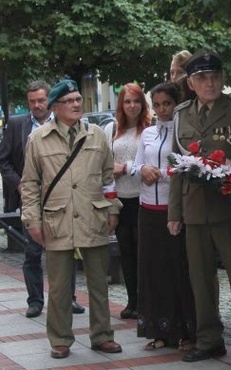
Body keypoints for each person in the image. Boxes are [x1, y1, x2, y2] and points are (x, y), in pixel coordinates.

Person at [168, 49, 231, 366]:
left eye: (215, 76)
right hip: (195, 210)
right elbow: (177, 165)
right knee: (200, 278)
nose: (210, 83)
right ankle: (209, 339)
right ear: (191, 83)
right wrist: (174, 213)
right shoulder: (181, 113)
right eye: (202, 78)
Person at [20, 79, 123, 359]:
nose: (77, 104)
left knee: (99, 283)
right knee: (60, 286)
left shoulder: (97, 135)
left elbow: (107, 177)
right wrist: (32, 220)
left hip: (93, 216)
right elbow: (29, 184)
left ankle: (102, 336)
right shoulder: (38, 139)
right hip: (57, 220)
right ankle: (60, 339)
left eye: (79, 99)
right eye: (70, 101)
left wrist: (112, 207)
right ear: (55, 107)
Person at [0, 81, 85, 318]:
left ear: (50, 100)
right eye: (32, 102)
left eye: (41, 100)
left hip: (61, 199)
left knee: (66, 249)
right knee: (33, 251)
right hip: (30, 199)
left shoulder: (65, 123)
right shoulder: (17, 125)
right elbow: (3, 161)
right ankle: (35, 301)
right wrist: (19, 184)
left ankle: (69, 298)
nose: (37, 105)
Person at [133, 82, 196, 351]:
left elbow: (192, 164)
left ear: (176, 102)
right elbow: (136, 164)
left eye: (166, 104)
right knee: (153, 270)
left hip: (174, 209)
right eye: (156, 105)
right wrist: (143, 169)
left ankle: (186, 331)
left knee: (178, 270)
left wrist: (169, 173)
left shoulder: (183, 131)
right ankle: (159, 331)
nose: (161, 109)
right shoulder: (147, 132)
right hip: (148, 208)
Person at [104, 83, 150, 320]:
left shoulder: (149, 129)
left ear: (143, 104)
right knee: (127, 252)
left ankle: (145, 301)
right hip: (121, 199)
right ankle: (132, 301)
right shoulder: (113, 129)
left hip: (144, 198)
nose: (132, 106)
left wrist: (127, 168)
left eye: (136, 101)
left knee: (143, 252)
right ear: (121, 104)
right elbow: (104, 164)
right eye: (127, 101)